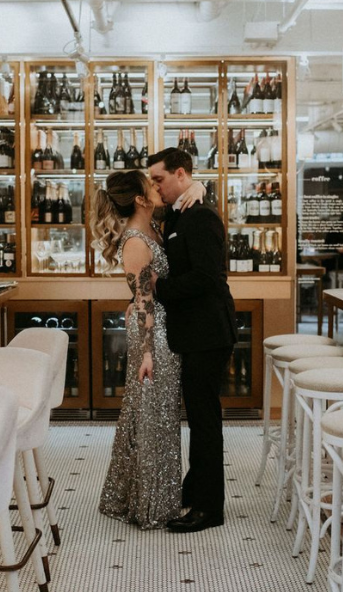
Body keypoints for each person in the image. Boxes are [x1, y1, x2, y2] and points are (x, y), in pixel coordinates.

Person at [92, 169, 204, 530]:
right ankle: (150, 504)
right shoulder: (135, 241)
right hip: (152, 335)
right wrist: (146, 354)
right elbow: (143, 301)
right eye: (151, 185)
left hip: (166, 328)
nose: (158, 187)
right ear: (140, 200)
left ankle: (157, 495)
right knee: (153, 416)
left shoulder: (154, 227)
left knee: (161, 414)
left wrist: (199, 185)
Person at [148, 147, 237, 534]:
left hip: (210, 332)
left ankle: (208, 508)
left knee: (205, 422)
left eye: (160, 179)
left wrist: (159, 287)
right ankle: (194, 488)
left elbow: (206, 277)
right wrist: (200, 186)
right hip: (193, 332)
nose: (155, 186)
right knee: (198, 417)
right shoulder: (178, 211)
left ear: (181, 174)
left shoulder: (201, 216)